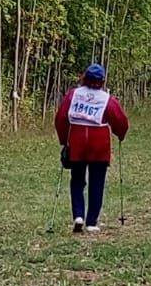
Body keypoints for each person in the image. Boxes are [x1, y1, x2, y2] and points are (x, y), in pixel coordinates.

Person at [55, 62, 129, 233]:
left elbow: (61, 117)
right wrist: (120, 134)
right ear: (102, 81)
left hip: (77, 141)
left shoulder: (73, 94)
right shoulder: (106, 99)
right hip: (99, 144)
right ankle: (91, 222)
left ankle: (78, 215)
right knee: (97, 182)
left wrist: (64, 140)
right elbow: (120, 120)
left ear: (84, 78)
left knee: (77, 180)